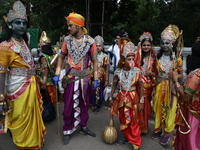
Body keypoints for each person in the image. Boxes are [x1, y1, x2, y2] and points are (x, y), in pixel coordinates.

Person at [0, 1, 45, 149]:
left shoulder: (25, 42)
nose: (21, 25)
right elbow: (1, 73)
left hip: (31, 84)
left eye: (24, 23)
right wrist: (1, 98)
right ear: (11, 25)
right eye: (17, 22)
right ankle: (23, 142)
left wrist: (35, 68)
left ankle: (33, 142)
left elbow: (27, 63)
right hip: (16, 88)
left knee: (32, 116)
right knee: (19, 117)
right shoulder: (5, 46)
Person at [52, 12, 98, 145]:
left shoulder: (90, 41)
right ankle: (67, 129)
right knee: (68, 105)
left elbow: (95, 61)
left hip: (85, 78)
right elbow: (61, 57)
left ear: (78, 26)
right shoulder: (67, 40)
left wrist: (95, 79)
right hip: (71, 77)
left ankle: (83, 126)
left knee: (84, 104)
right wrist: (57, 73)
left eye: (70, 25)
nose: (68, 28)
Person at [151, 24, 183, 145]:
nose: (165, 45)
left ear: (172, 44)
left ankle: (167, 133)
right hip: (159, 87)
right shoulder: (157, 59)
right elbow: (154, 73)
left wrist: (174, 77)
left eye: (167, 43)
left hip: (171, 89)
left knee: (170, 109)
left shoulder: (177, 60)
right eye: (163, 43)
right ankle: (158, 129)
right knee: (157, 108)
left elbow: (181, 75)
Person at [109, 41, 144, 150]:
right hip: (121, 98)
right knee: (123, 118)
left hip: (133, 98)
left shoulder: (137, 71)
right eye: (129, 59)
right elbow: (114, 84)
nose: (131, 61)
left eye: (133, 59)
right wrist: (111, 97)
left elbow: (141, 87)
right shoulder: (118, 72)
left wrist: (141, 101)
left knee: (133, 120)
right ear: (123, 60)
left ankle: (135, 142)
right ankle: (126, 137)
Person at [172, 42, 200, 150]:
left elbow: (185, 97)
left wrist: (176, 81)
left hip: (193, 114)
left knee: (191, 142)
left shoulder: (196, 75)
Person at [138, 32, 157, 133]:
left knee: (146, 108)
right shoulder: (137, 58)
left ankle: (144, 127)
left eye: (148, 45)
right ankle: (137, 127)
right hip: (138, 86)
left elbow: (157, 74)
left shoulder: (154, 59)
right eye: (144, 45)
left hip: (148, 86)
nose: (146, 47)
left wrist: (151, 74)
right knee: (138, 106)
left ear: (151, 46)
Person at [90, 35, 109, 113]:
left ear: (102, 46)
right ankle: (92, 104)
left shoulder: (105, 56)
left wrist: (107, 80)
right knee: (92, 90)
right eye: (96, 46)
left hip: (101, 76)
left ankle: (97, 106)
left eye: (99, 46)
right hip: (92, 75)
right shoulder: (91, 56)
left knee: (98, 91)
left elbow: (107, 68)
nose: (98, 47)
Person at [38, 31, 56, 105]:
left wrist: (44, 81)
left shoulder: (44, 57)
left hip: (45, 80)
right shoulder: (52, 56)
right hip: (52, 79)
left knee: (46, 97)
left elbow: (46, 69)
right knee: (52, 97)